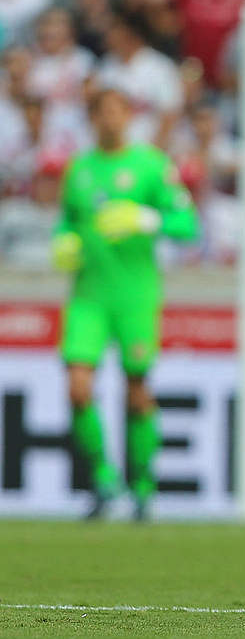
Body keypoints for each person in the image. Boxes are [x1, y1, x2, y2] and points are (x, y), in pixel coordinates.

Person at [53, 88, 200, 521]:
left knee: (137, 392)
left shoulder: (150, 166)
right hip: (87, 297)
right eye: (102, 113)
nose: (111, 120)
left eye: (118, 111)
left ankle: (142, 486)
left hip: (136, 296)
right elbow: (67, 222)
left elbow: (187, 223)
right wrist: (64, 241)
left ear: (128, 116)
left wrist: (147, 218)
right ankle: (102, 480)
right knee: (78, 388)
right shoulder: (79, 170)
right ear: (93, 118)